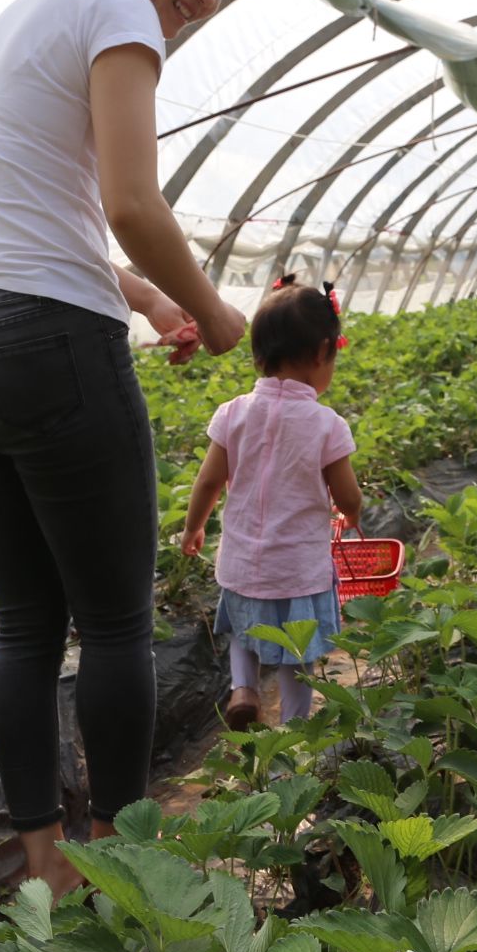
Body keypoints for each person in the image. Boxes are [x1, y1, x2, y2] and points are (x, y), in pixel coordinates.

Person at [0, 0, 257, 899]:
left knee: (26, 620)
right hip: (50, 348)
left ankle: (43, 861)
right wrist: (214, 307)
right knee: (113, 622)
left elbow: (39, 216)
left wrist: (150, 299)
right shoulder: (118, 9)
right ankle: (120, 862)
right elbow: (130, 200)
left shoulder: (27, 14)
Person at [182, 277, 364, 728]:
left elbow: (208, 482)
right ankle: (296, 723)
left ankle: (242, 688)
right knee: (295, 649)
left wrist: (193, 527)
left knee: (244, 628)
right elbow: (347, 494)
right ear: (323, 352)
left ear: (258, 354)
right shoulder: (326, 425)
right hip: (298, 567)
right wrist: (351, 512)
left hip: (243, 558)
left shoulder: (233, 413)